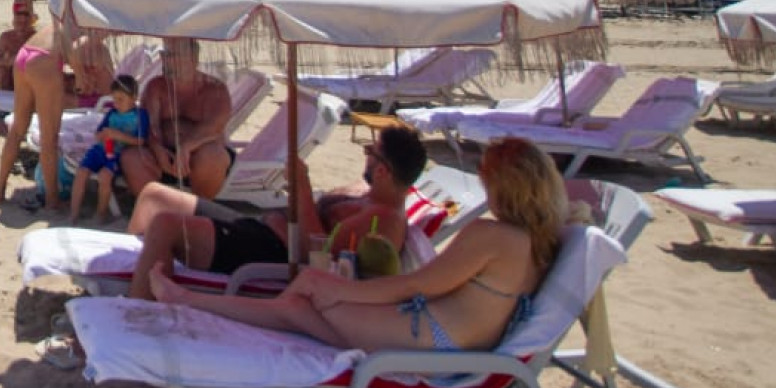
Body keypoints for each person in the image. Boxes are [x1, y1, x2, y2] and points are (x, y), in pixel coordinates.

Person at [146, 137, 566, 354]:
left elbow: (415, 286)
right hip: (449, 337)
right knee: (295, 305)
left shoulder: (491, 236)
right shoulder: (535, 242)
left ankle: (183, 298)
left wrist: (343, 290)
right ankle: (185, 298)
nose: (484, 188)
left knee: (309, 292)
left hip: (431, 338)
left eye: (487, 179)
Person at [123, 126, 428, 296]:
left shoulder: (382, 222)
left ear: (384, 172)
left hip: (268, 251)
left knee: (165, 225)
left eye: (370, 153)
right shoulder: (370, 195)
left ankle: (139, 312)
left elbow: (318, 258)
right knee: (153, 196)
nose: (365, 157)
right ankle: (131, 273)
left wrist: (303, 189)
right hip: (265, 229)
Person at [0, 22, 115, 212]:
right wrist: (80, 73)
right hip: (44, 61)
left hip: (26, 53)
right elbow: (72, 47)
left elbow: (65, 41)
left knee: (17, 129)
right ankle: (52, 201)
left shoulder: (65, 15)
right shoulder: (88, 27)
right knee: (50, 138)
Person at [119, 38, 236, 200]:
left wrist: (186, 148)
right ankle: (155, 208)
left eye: (173, 55)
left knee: (213, 156)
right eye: (164, 54)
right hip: (163, 156)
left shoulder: (214, 89)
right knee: (131, 157)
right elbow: (149, 125)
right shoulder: (156, 86)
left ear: (193, 59)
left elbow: (214, 127)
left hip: (200, 156)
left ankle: (201, 206)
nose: (166, 60)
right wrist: (158, 150)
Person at [69, 75, 150, 224]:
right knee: (81, 173)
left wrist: (118, 136)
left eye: (121, 100)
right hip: (101, 150)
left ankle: (101, 214)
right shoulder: (112, 113)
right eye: (115, 100)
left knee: (105, 176)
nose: (117, 104)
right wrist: (102, 135)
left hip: (119, 155)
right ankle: (73, 214)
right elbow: (98, 133)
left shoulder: (140, 116)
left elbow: (141, 141)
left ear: (133, 98)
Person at [0, 0, 39, 92]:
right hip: (9, 79)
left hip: (29, 77)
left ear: (31, 23)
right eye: (19, 23)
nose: (22, 27)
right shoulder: (6, 37)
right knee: (1, 69)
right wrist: (9, 61)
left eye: (25, 24)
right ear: (13, 22)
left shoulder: (36, 38)